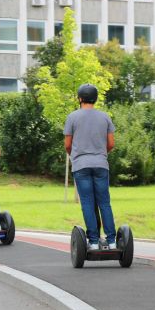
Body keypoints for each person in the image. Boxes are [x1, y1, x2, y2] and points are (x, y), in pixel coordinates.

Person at [64, 84, 117, 250]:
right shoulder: (105, 117)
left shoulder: (72, 117)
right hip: (101, 164)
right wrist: (101, 153)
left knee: (87, 202)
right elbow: (111, 144)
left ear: (80, 98)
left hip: (81, 165)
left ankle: (93, 242)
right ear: (95, 98)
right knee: (104, 203)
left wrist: (76, 155)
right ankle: (111, 241)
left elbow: (67, 144)